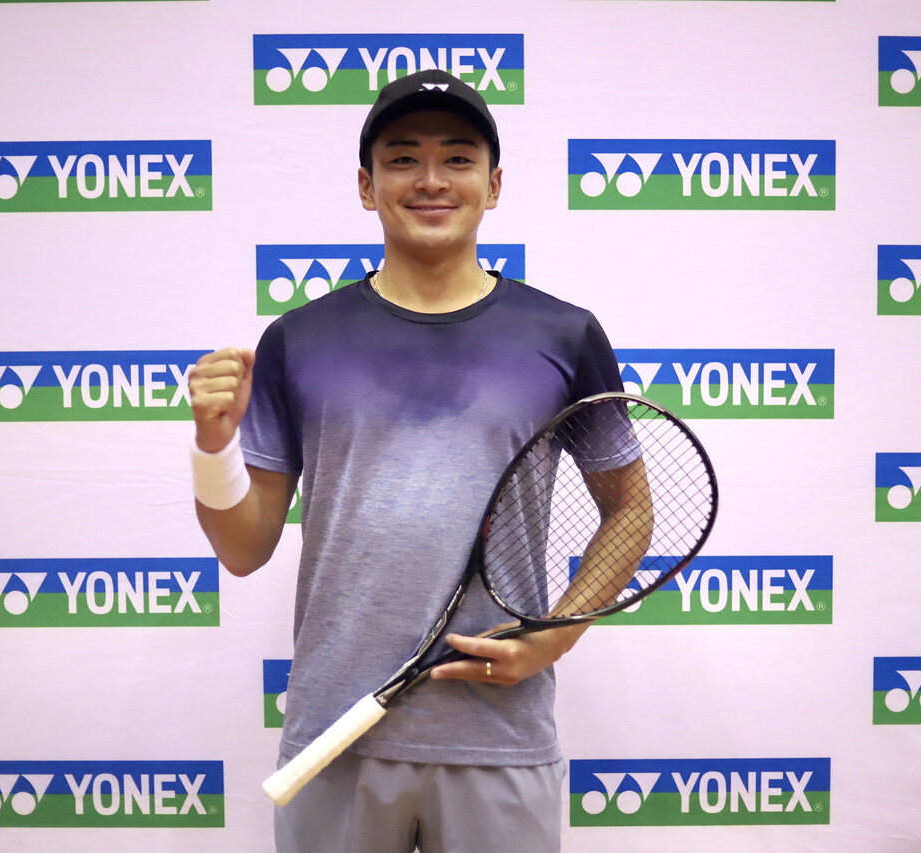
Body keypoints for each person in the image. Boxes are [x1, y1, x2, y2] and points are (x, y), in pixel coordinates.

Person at [188, 69, 630, 853]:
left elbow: (630, 509)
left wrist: (554, 637)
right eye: (402, 159)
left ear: (494, 185)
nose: (431, 180)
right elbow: (244, 547)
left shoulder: (565, 335)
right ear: (367, 186)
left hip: (500, 737)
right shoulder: (299, 339)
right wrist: (213, 448)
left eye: (458, 158)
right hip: (335, 736)